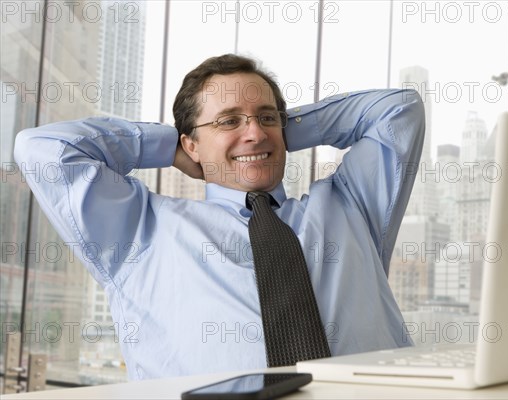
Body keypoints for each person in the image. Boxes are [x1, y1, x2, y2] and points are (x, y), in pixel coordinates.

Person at [14, 54, 425, 380]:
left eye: (267, 116)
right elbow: (43, 149)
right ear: (190, 143)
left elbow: (397, 111)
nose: (254, 131)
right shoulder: (140, 229)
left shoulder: (351, 205)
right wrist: (167, 147)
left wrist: (278, 131)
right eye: (228, 120)